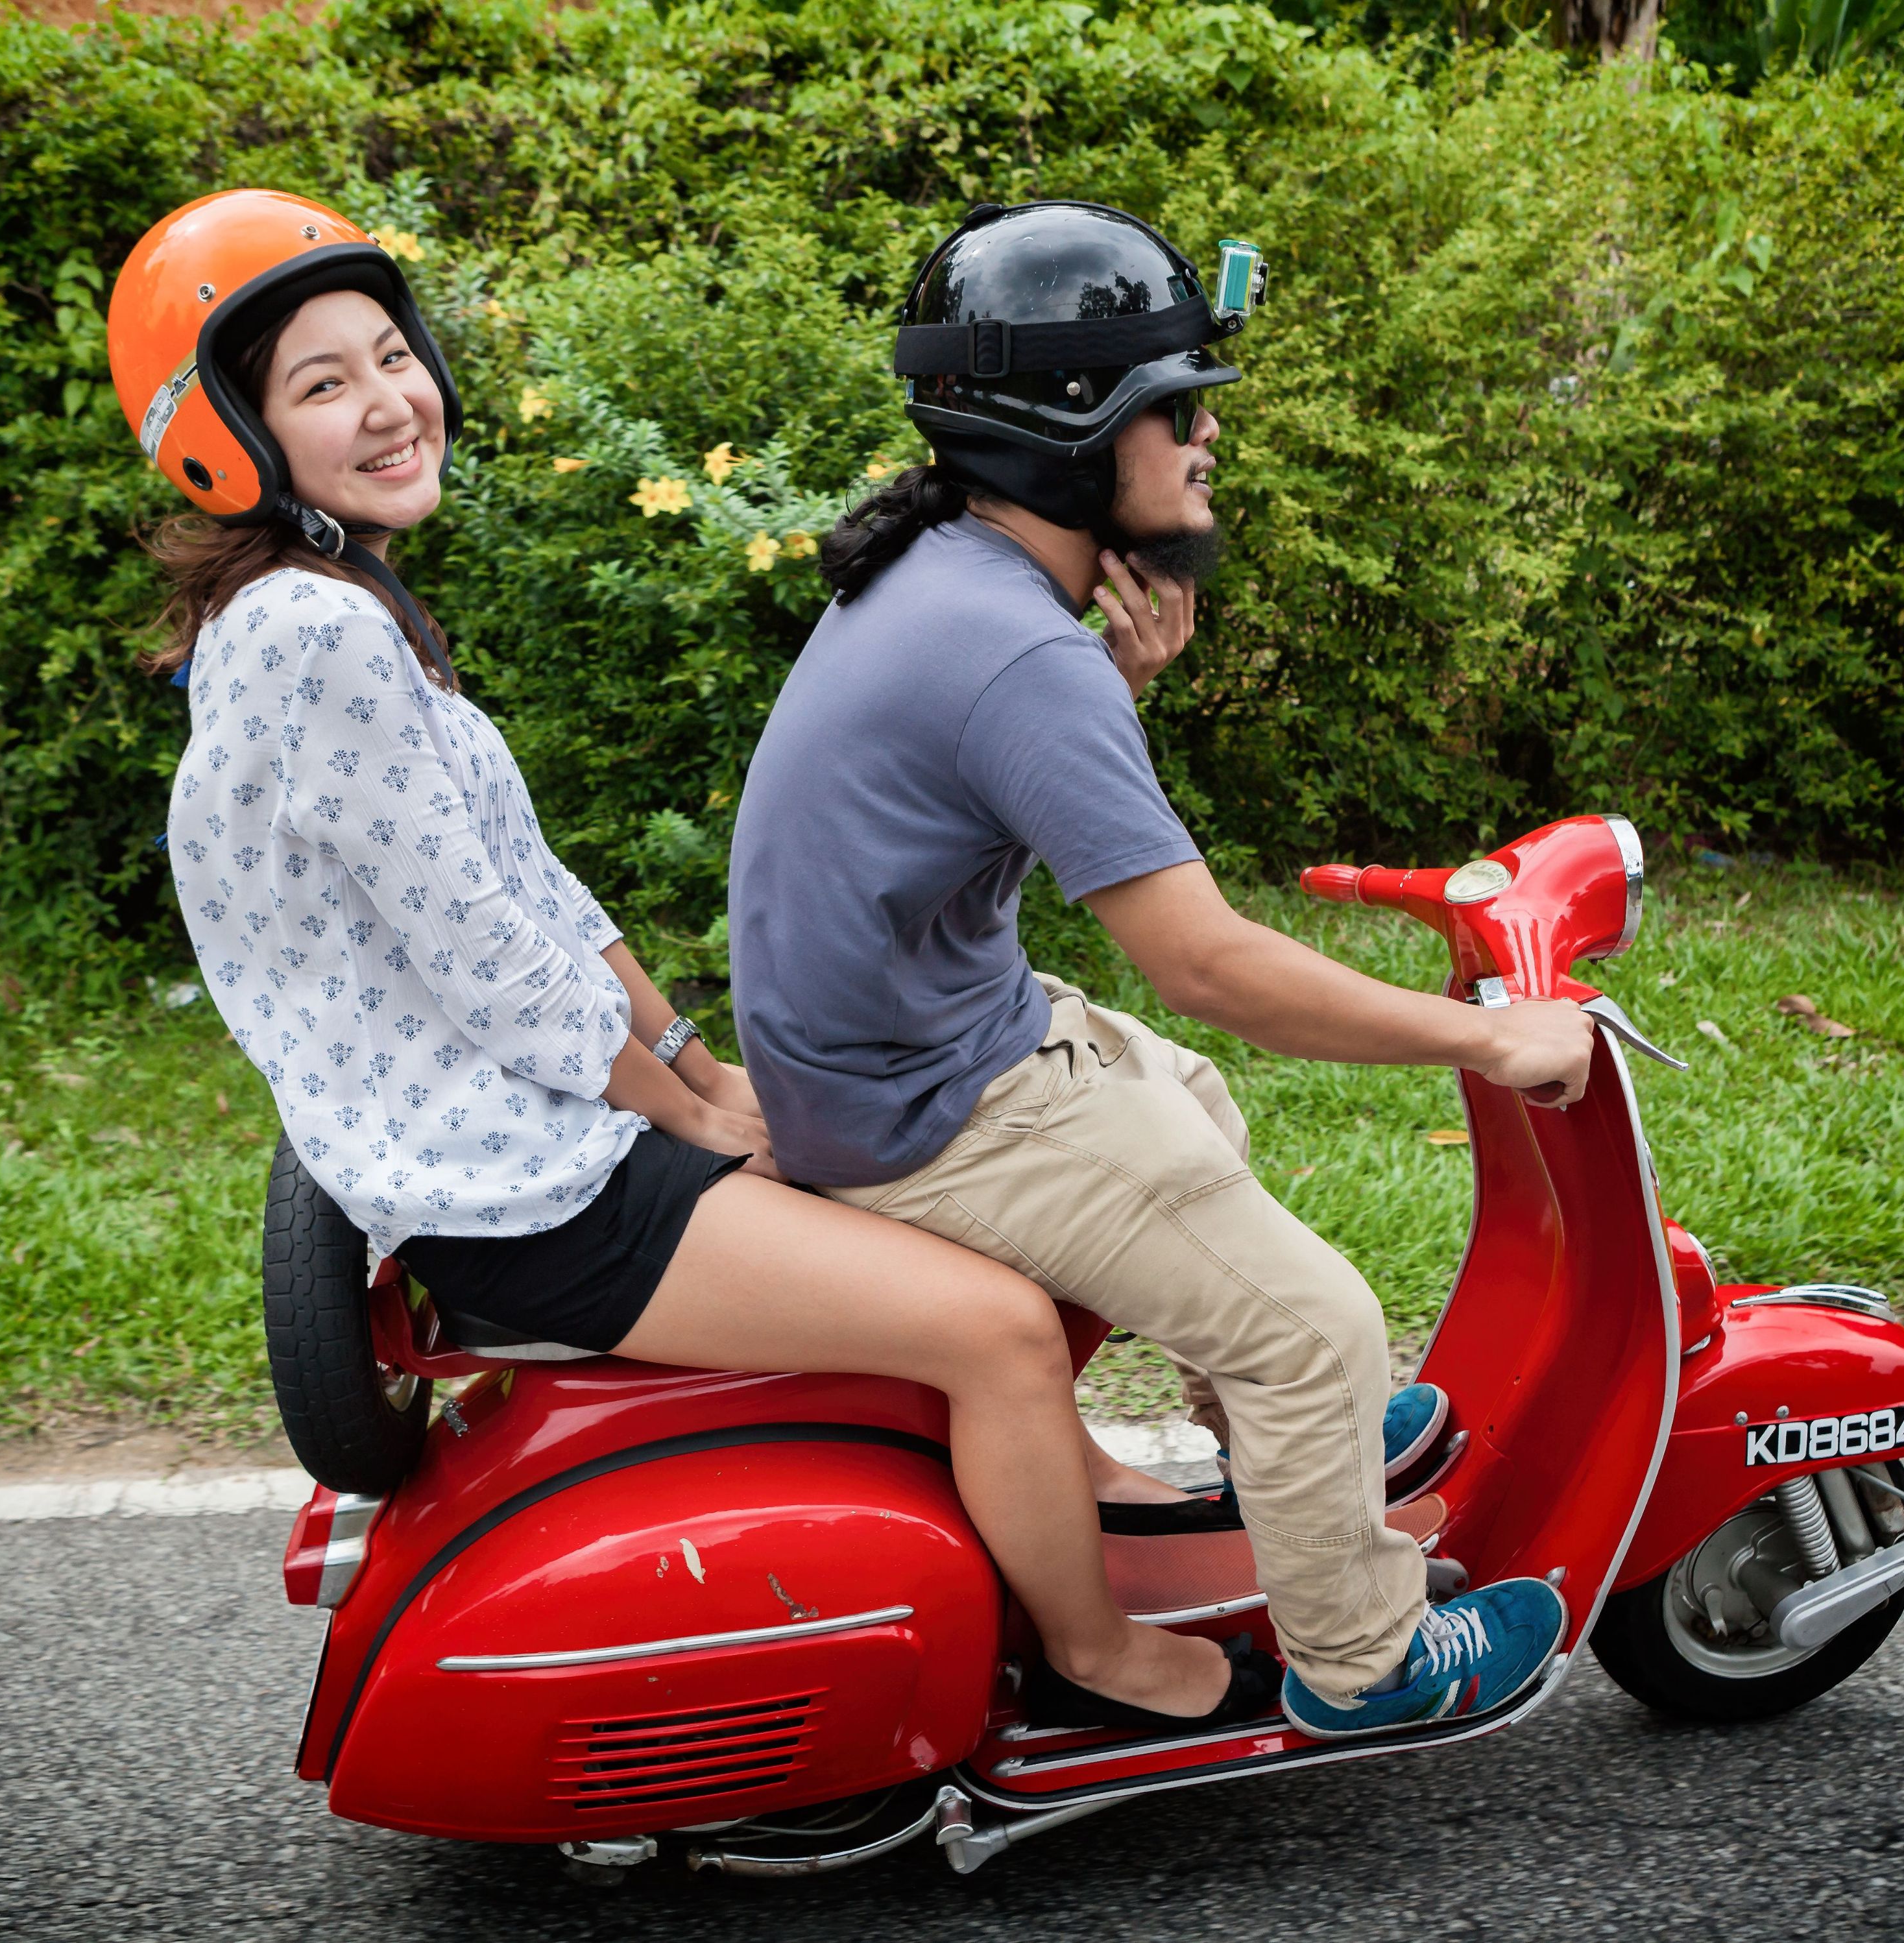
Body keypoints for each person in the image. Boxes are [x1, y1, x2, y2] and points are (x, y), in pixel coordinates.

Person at [107, 189, 1272, 1729]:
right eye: (324, 385)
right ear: (225, 438)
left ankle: (1080, 1484)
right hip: (534, 1192)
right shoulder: (307, 638)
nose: (391, 403)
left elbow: (539, 891)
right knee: (989, 1321)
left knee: (938, 1179)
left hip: (553, 1143)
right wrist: (686, 1112)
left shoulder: (344, 608)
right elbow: (489, 963)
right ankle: (1093, 1652)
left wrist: (705, 1068)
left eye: (394, 356)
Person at [728, 200, 1597, 1739]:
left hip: (907, 1043)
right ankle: (1364, 1658)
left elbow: (1001, 777)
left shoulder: (959, 572)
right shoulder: (1014, 646)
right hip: (916, 1108)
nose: (1206, 440)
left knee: (1193, 1107)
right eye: (1174, 406)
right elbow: (1210, 964)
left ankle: (1285, 1445)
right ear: (1070, 426)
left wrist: (1117, 689)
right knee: (1313, 1319)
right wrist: (1489, 1039)